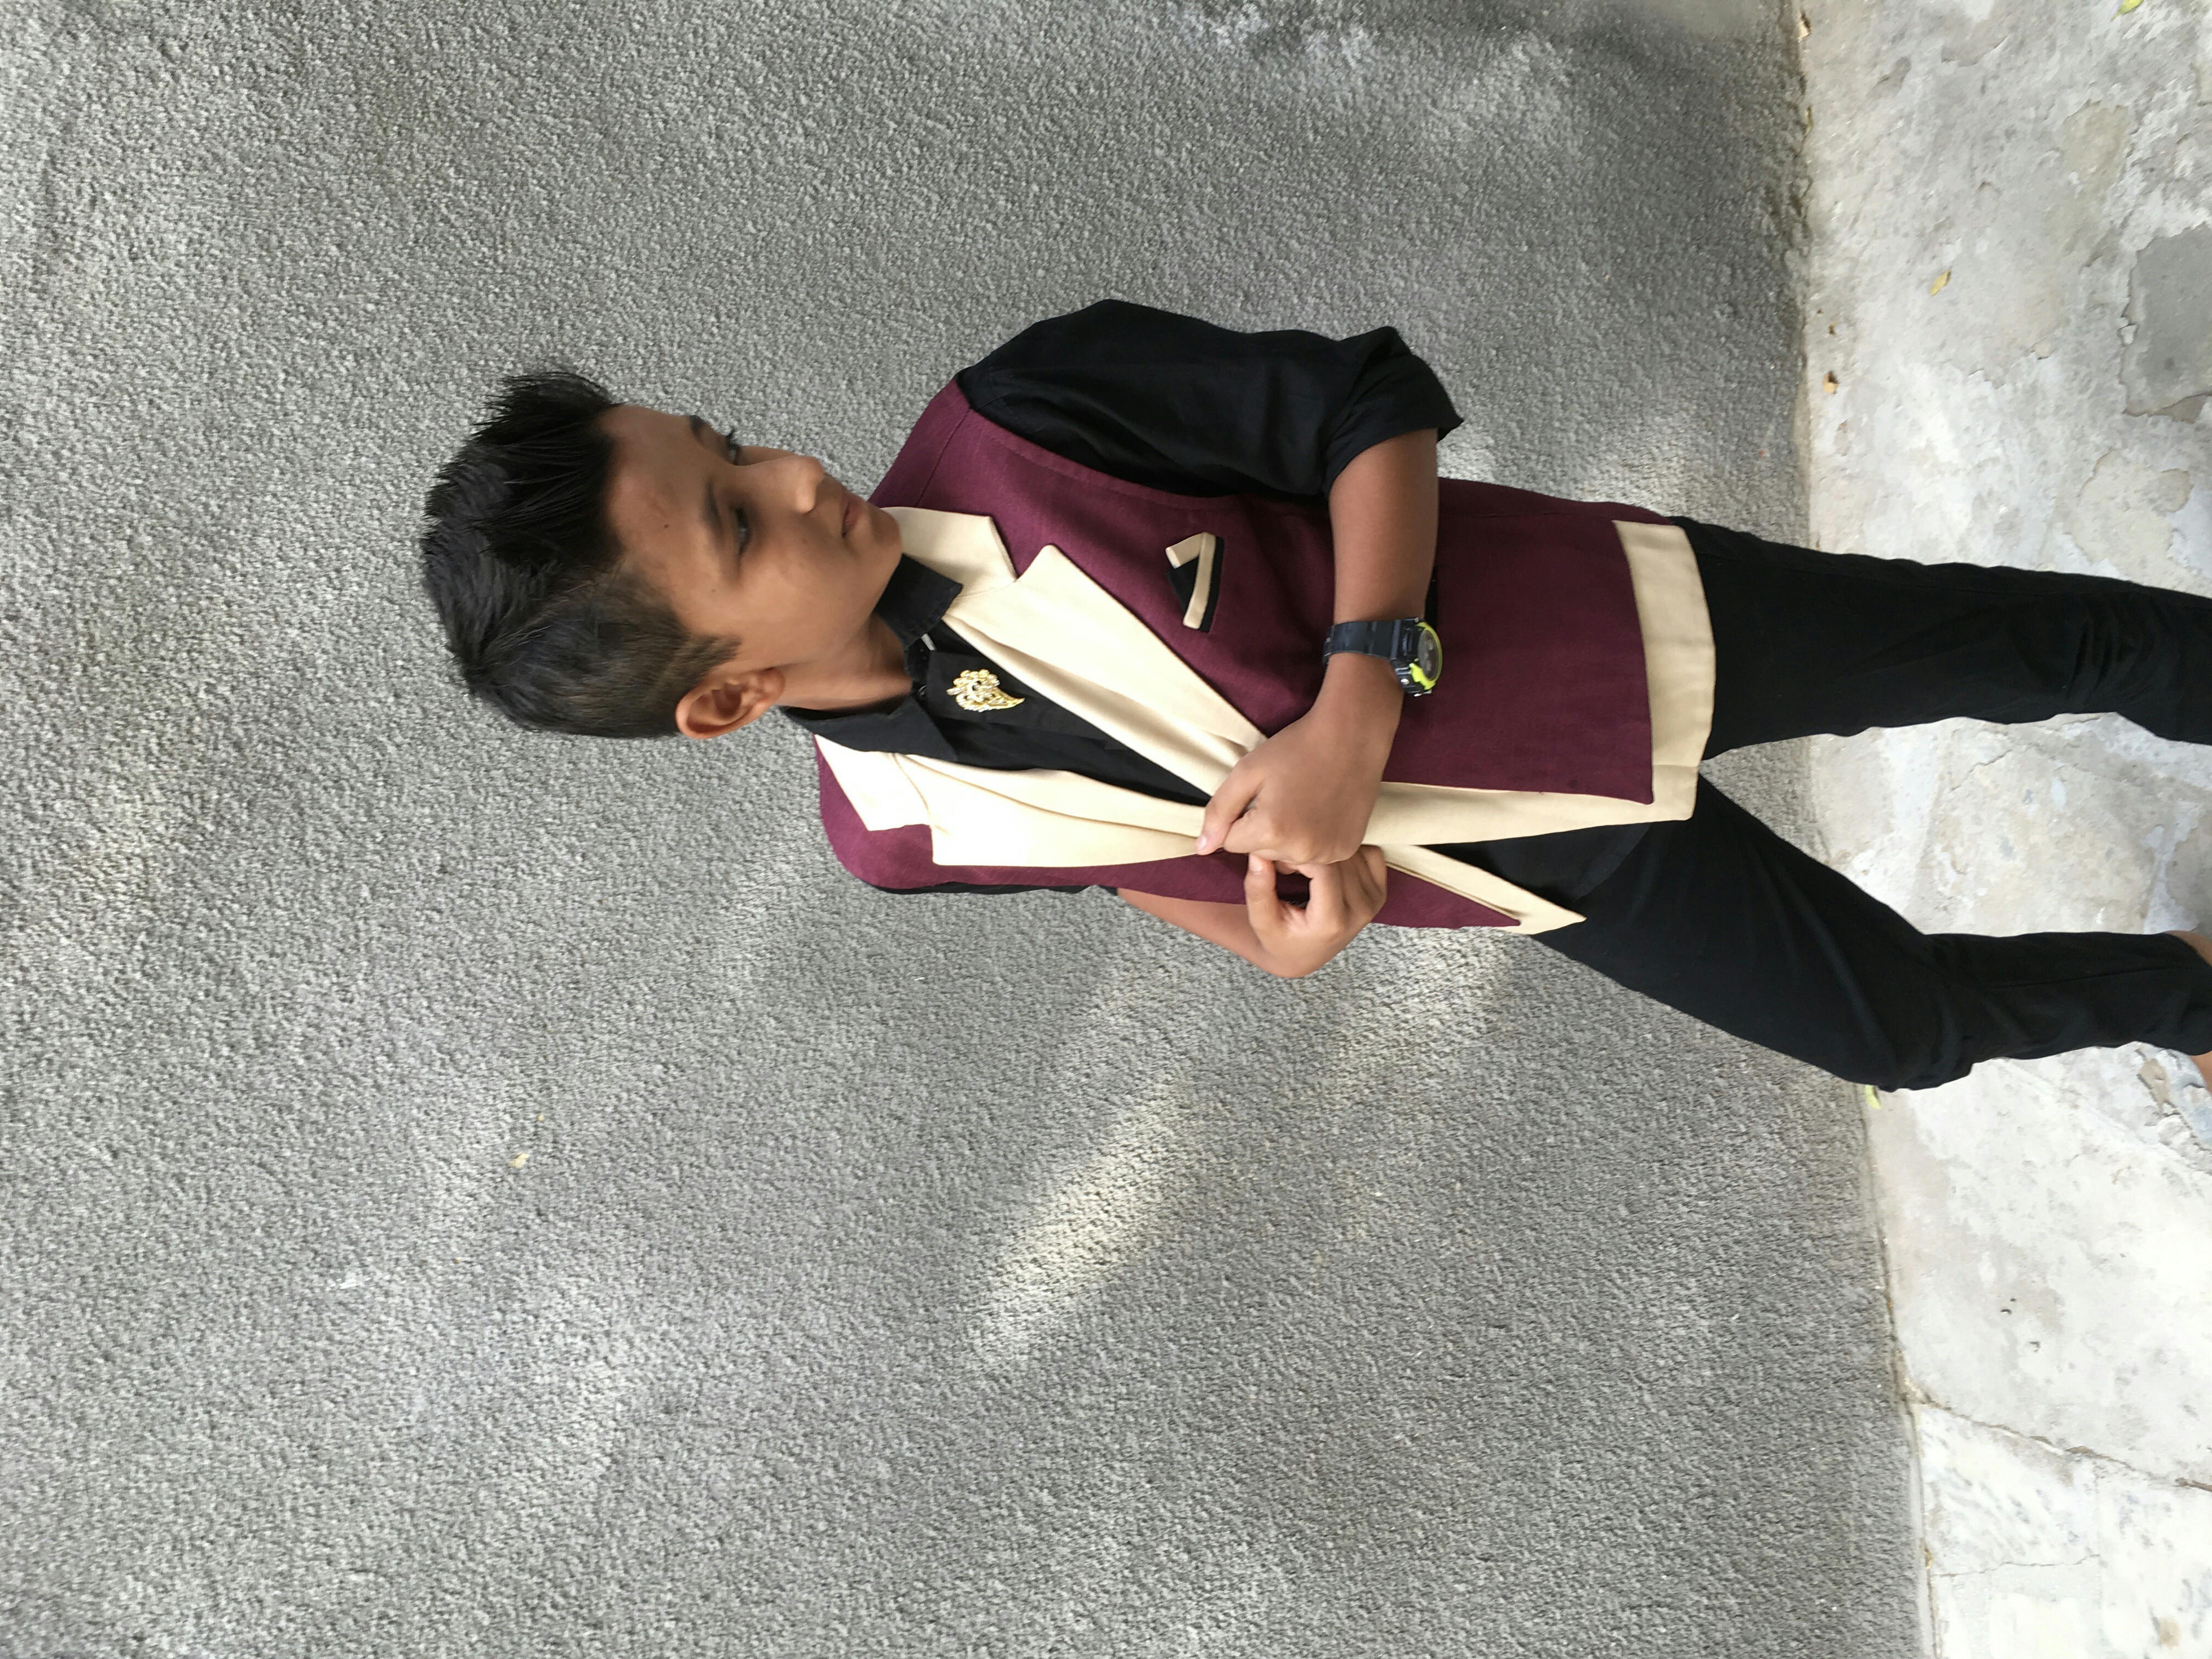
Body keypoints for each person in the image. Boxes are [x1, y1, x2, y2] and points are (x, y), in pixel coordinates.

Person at [419, 299, 2212, 1092]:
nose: (798, 473)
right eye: (738, 521)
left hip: (1611, 627)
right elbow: (1118, 865)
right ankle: (2186, 991)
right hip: (1545, 868)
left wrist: (1358, 703)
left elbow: (1373, 402)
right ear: (725, 701)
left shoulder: (1024, 415)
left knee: (2019, 650)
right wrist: (1270, 944)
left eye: (729, 441)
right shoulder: (889, 833)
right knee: (1893, 1031)